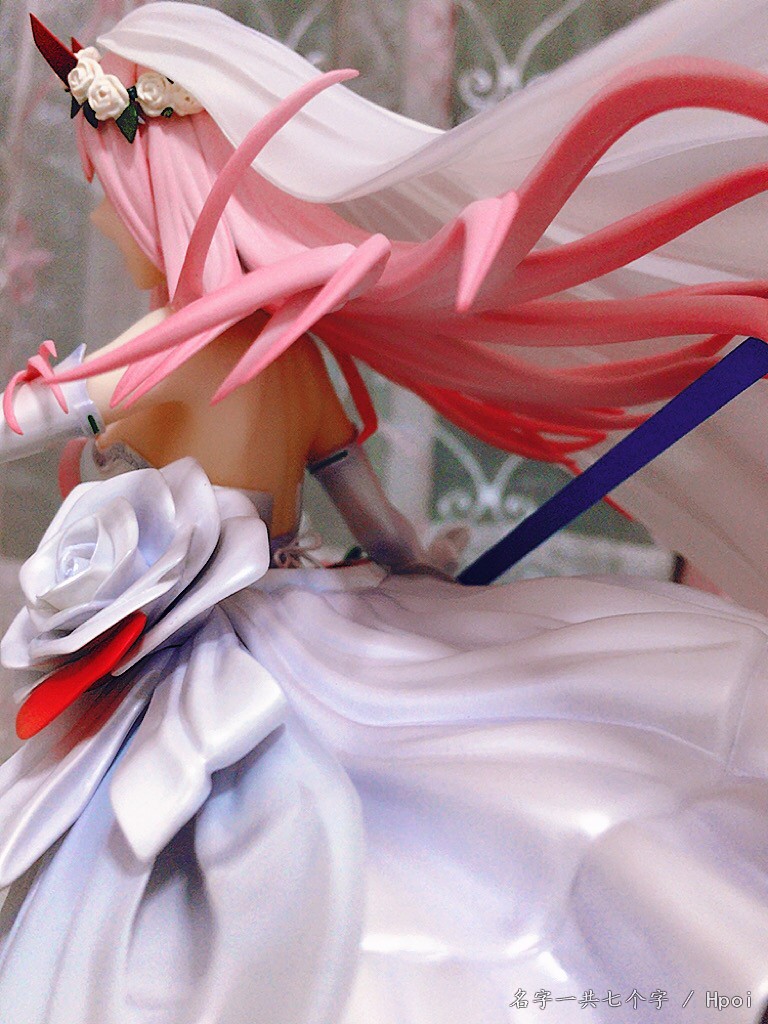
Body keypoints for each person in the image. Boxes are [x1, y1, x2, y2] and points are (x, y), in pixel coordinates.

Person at [0, 2, 767, 1022]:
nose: (105, 222)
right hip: (306, 614)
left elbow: (22, 421)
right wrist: (418, 577)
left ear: (161, 189)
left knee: (200, 864)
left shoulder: (158, 355)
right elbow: (380, 526)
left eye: (112, 194)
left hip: (217, 657)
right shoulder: (297, 359)